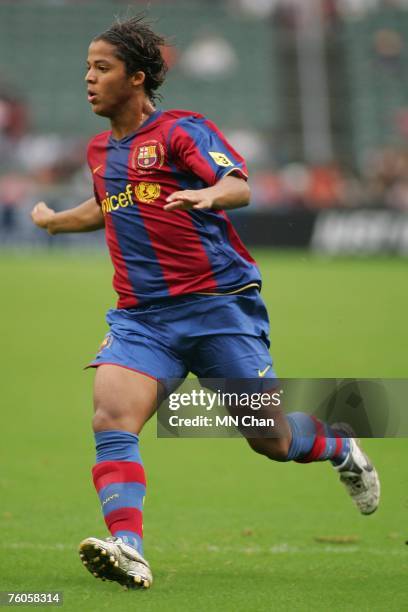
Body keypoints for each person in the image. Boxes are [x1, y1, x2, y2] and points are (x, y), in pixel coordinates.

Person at [31, 17, 380, 592]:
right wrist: (52, 222)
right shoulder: (99, 149)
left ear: (136, 77)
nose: (88, 80)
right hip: (142, 318)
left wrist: (207, 194)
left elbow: (237, 184)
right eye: (87, 68)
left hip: (218, 307)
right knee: (111, 416)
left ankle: (339, 444)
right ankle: (130, 546)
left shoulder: (180, 131)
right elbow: (106, 206)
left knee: (268, 439)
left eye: (101, 68)